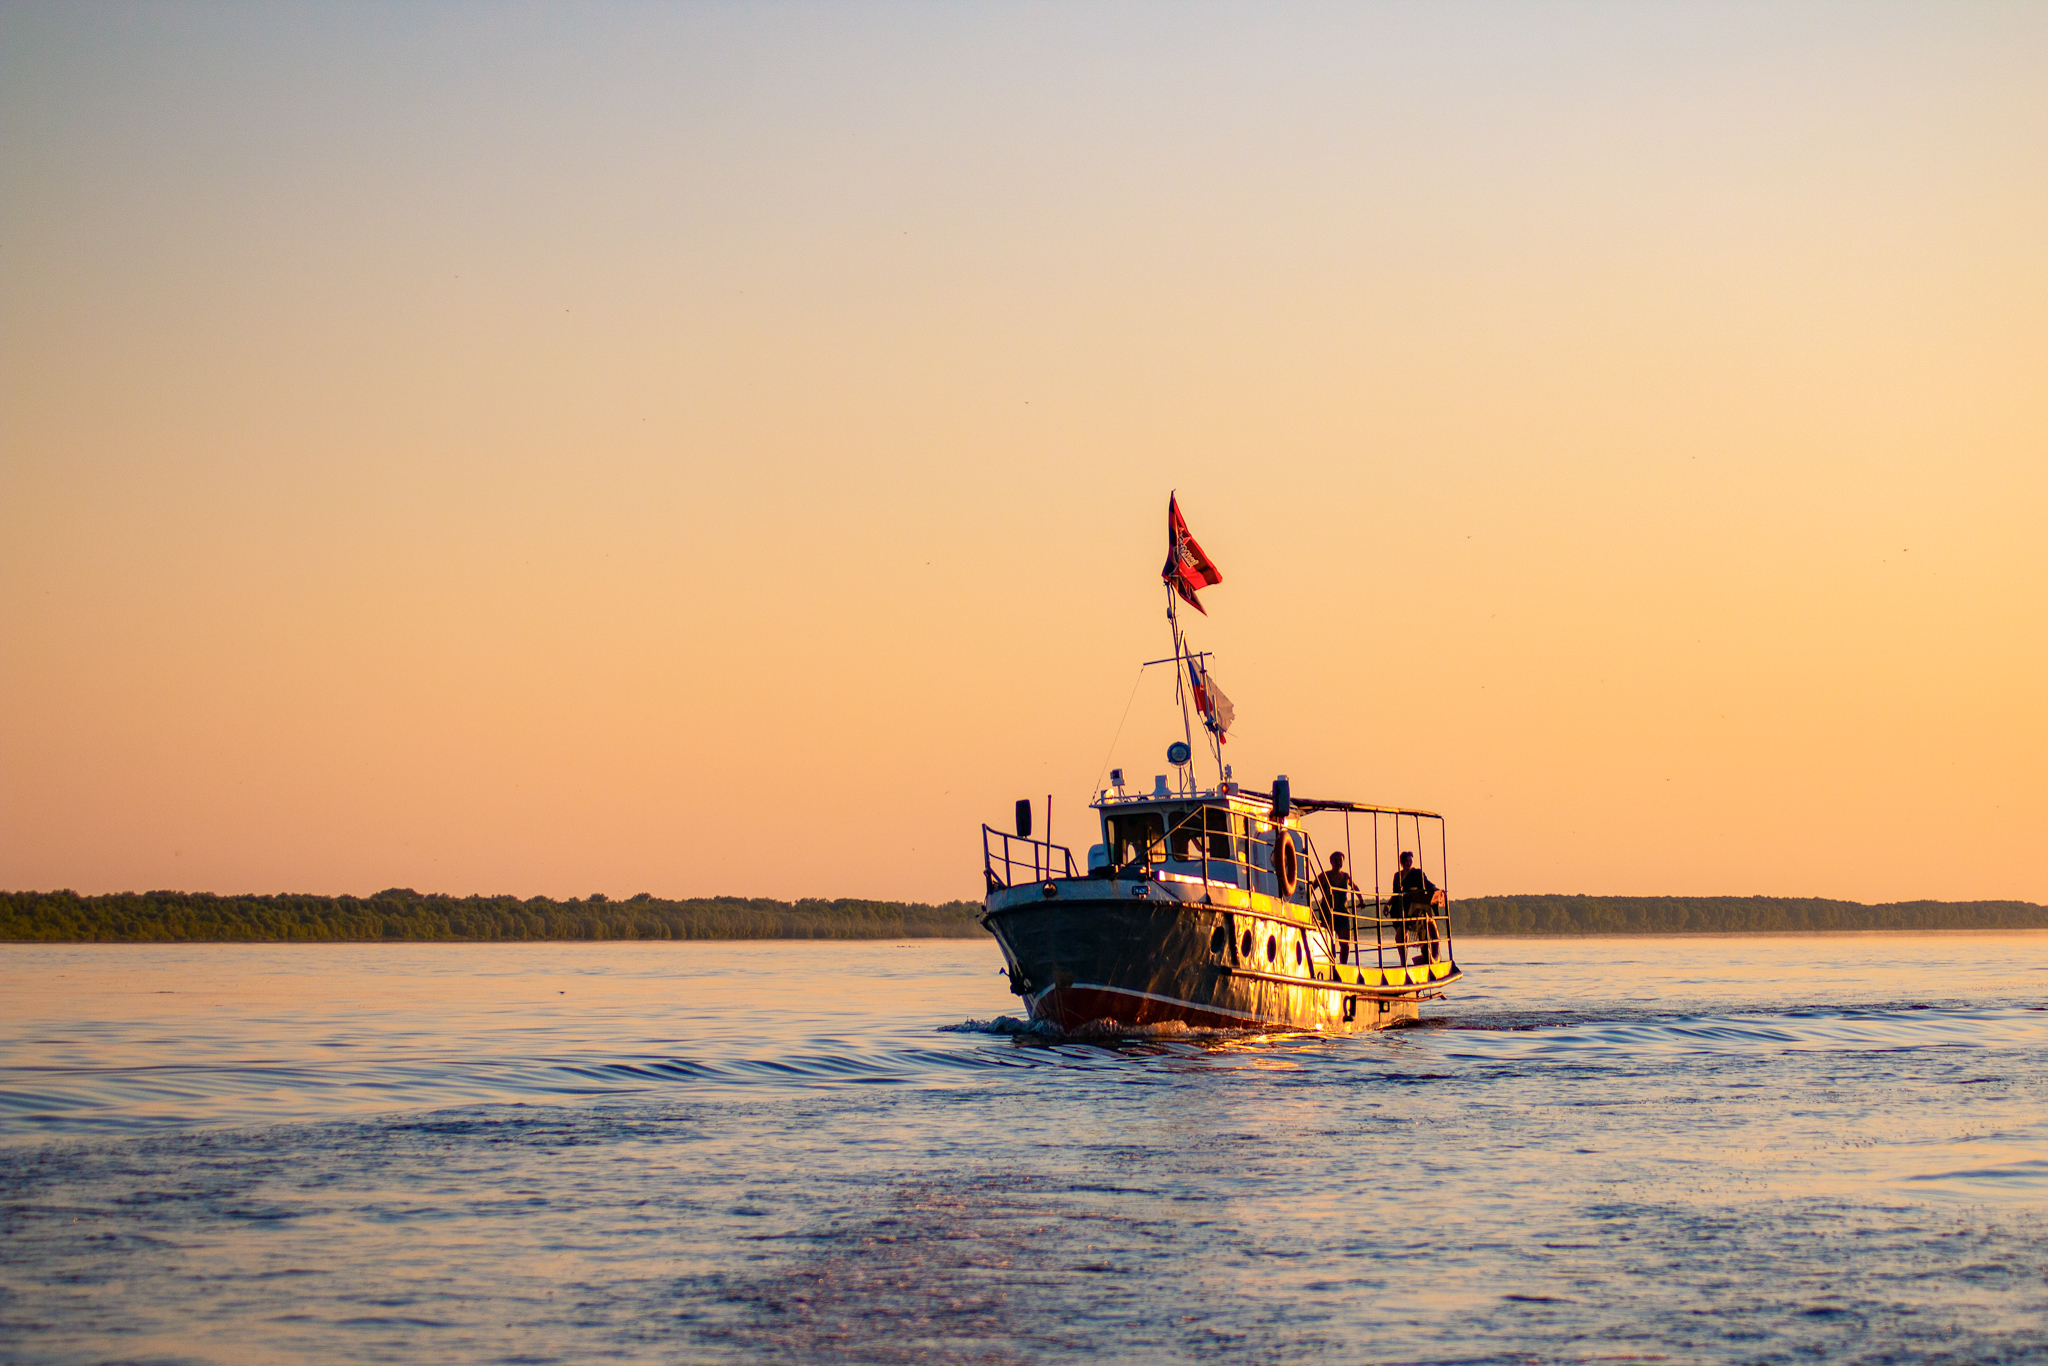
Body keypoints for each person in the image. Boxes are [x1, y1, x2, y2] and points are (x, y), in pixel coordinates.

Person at [1392, 851, 1441, 965]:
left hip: (1415, 908)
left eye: (1410, 861)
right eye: (1406, 861)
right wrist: (1388, 904)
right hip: (1401, 908)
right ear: (1402, 863)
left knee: (1421, 932)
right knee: (1400, 936)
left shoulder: (1418, 874)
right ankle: (1403, 963)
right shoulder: (1397, 876)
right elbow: (1395, 892)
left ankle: (1427, 958)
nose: (1408, 863)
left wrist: (1436, 890)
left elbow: (1428, 884)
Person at [1313, 852, 1358, 963]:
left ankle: (1343, 965)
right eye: (1336, 860)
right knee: (1329, 941)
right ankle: (1331, 962)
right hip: (1328, 912)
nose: (1338, 862)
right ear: (1331, 862)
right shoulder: (1324, 876)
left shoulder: (1345, 876)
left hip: (1343, 912)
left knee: (1345, 943)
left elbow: (1355, 887)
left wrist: (1361, 900)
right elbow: (1312, 887)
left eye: (1340, 860)